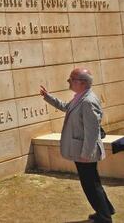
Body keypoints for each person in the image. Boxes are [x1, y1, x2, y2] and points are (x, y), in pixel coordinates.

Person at [40, 68, 115, 223]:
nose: (68, 81)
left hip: (85, 153)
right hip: (82, 151)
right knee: (93, 182)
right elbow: (66, 107)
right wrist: (48, 97)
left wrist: (86, 154)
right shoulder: (80, 97)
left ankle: (104, 217)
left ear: (82, 83)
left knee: (90, 185)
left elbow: (92, 132)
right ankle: (106, 210)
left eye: (71, 79)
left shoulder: (88, 102)